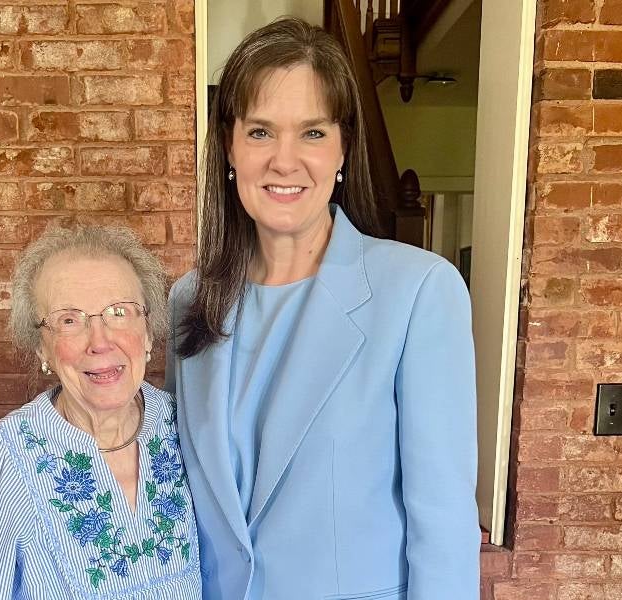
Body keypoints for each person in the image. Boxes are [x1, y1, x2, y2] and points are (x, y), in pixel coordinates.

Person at [166, 17, 479, 600]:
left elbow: (444, 524)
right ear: (229, 145)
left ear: (343, 148)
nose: (285, 160)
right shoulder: (190, 300)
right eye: (260, 132)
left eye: (312, 133)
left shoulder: (419, 292)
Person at [0, 226, 201, 599]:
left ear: (149, 333)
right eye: (69, 320)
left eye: (119, 312)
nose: (100, 341)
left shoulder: (188, 427)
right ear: (42, 348)